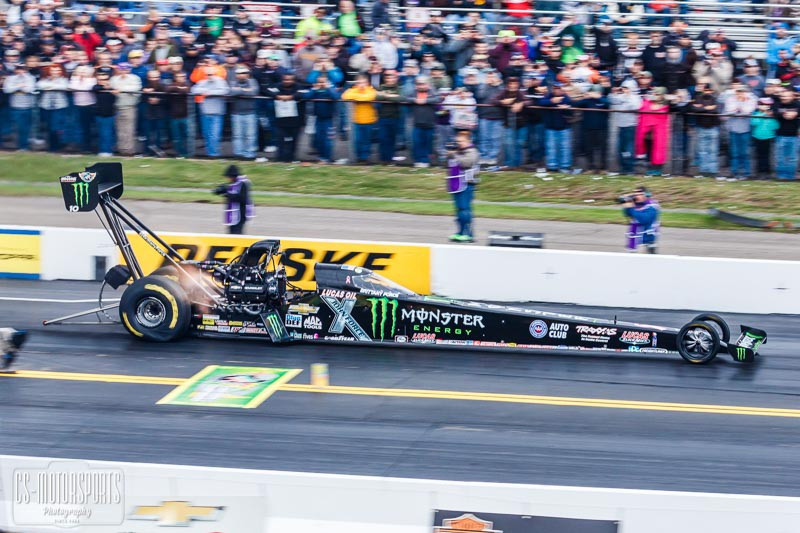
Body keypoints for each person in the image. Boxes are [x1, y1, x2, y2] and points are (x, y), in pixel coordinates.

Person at [445, 132, 480, 243]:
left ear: (468, 141)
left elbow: (466, 163)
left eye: (461, 141)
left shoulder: (472, 151)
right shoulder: (458, 152)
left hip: (466, 183)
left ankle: (468, 234)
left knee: (464, 208)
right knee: (459, 209)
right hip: (456, 183)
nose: (458, 143)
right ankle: (460, 232)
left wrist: (454, 154)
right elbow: (448, 165)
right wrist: (450, 154)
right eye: (457, 141)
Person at [213, 165, 254, 235]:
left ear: (233, 176)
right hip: (234, 216)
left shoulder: (243, 184)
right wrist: (223, 191)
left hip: (240, 215)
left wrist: (227, 192)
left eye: (229, 177)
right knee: (232, 234)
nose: (228, 179)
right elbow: (232, 195)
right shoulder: (235, 184)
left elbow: (242, 198)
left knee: (236, 235)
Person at [622, 186, 660, 254]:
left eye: (640, 194)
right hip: (633, 239)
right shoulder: (634, 204)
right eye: (635, 194)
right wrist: (627, 203)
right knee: (630, 259)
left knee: (646, 259)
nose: (637, 196)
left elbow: (644, 220)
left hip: (646, 241)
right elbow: (626, 214)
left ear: (647, 195)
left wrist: (631, 208)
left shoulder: (653, 205)